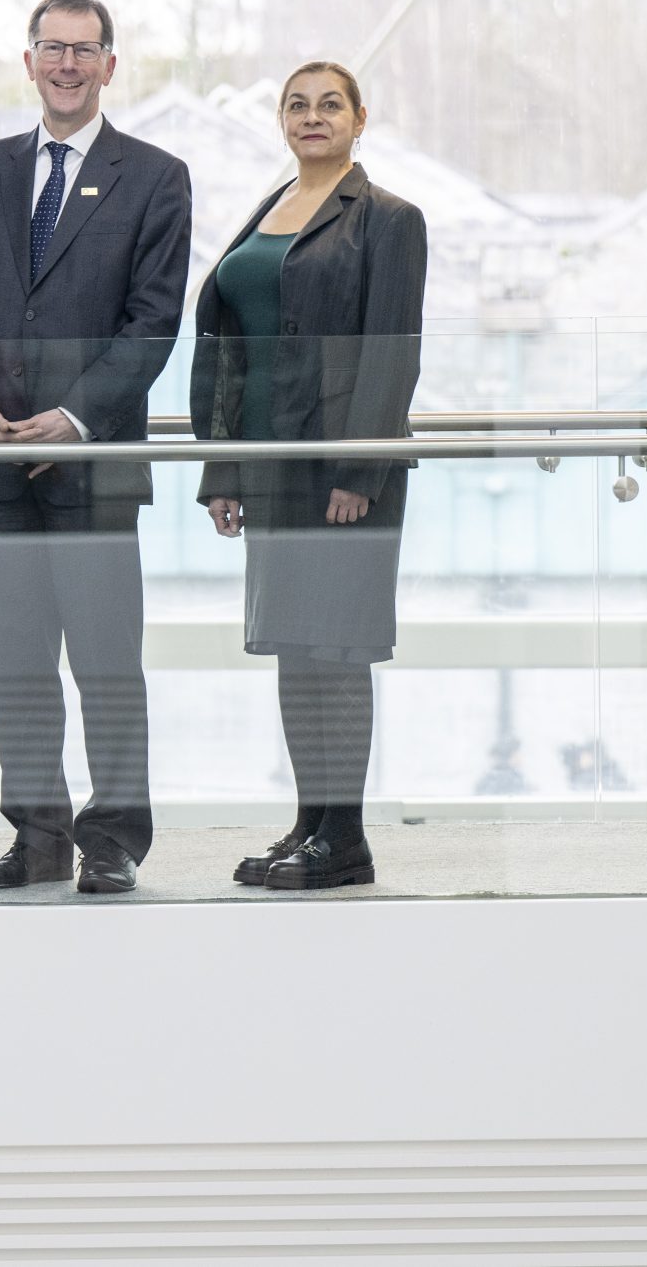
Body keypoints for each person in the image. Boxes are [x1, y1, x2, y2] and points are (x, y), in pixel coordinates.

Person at [0, 0, 191, 895]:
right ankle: (37, 836)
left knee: (107, 662)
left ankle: (112, 837)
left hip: (94, 467)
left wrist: (74, 420)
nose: (67, 65)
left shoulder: (154, 176)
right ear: (29, 60)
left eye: (84, 50)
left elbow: (152, 327)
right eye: (53, 48)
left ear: (110, 64)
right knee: (16, 664)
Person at [192, 60, 426, 891]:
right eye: (297, 105)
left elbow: (392, 353)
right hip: (271, 463)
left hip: (341, 471)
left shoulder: (389, 219)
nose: (312, 116)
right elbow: (228, 348)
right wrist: (223, 467)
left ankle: (346, 837)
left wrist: (359, 469)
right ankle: (310, 823)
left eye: (331, 104)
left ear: (360, 119)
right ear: (281, 121)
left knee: (339, 649)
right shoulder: (269, 209)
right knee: (296, 650)